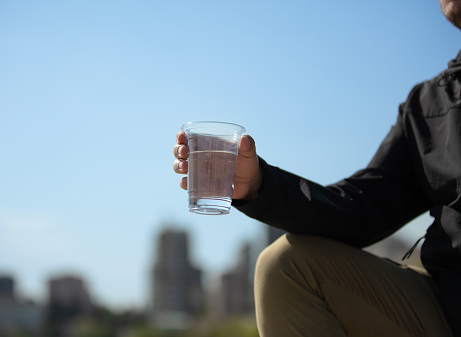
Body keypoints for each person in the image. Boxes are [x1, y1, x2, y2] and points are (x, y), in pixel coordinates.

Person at [173, 1, 461, 336]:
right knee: (286, 266)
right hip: (448, 305)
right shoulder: (429, 105)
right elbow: (362, 208)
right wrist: (258, 186)